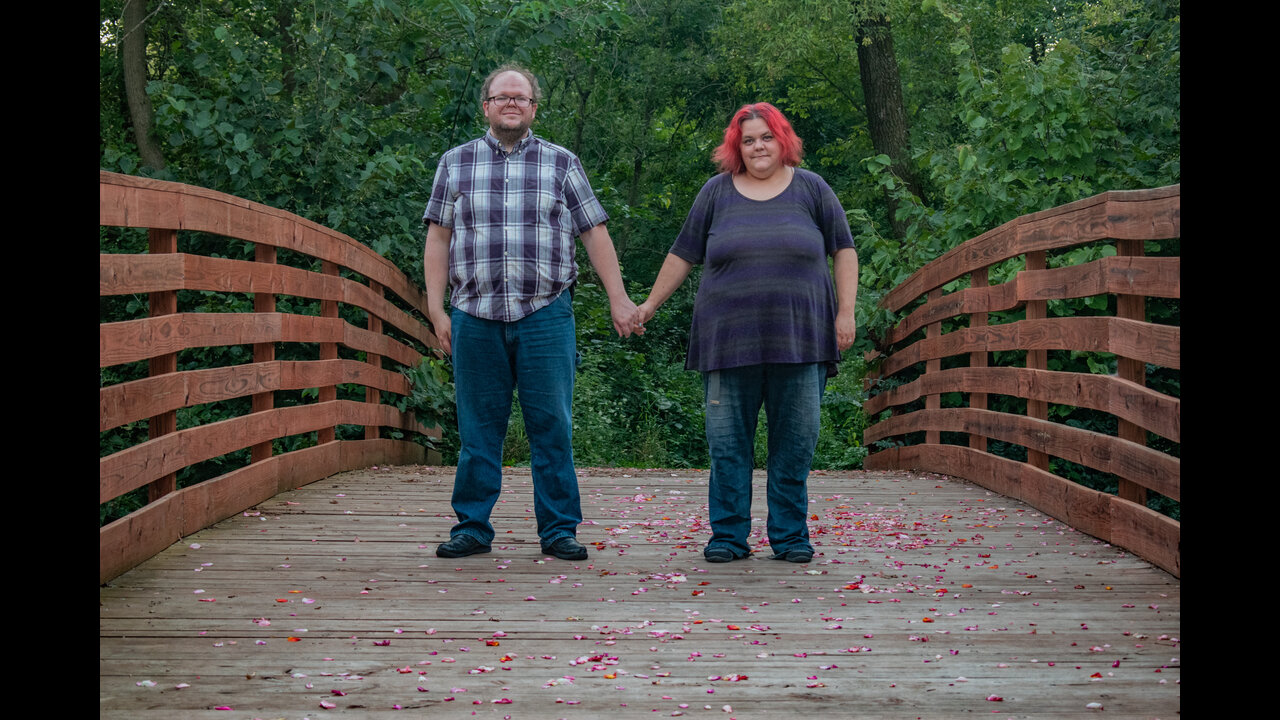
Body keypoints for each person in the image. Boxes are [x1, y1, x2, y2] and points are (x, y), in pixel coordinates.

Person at [422, 63, 640, 561]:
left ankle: (559, 529)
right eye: (502, 97)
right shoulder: (455, 163)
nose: (511, 104)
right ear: (487, 106)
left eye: (521, 97)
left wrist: (618, 297)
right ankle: (472, 527)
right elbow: (438, 237)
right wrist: (436, 310)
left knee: (552, 427)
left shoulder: (561, 163)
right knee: (478, 430)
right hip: (474, 315)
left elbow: (594, 232)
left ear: (534, 107)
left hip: (545, 315)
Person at [636, 102, 858, 564]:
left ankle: (790, 535)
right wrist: (650, 305)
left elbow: (844, 250)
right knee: (727, 446)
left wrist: (846, 313)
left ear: (783, 140)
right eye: (749, 139)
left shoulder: (813, 190)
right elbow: (682, 254)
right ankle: (729, 536)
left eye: (767, 137)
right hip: (726, 342)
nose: (759, 146)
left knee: (795, 445)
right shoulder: (716, 193)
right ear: (737, 146)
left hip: (801, 341)